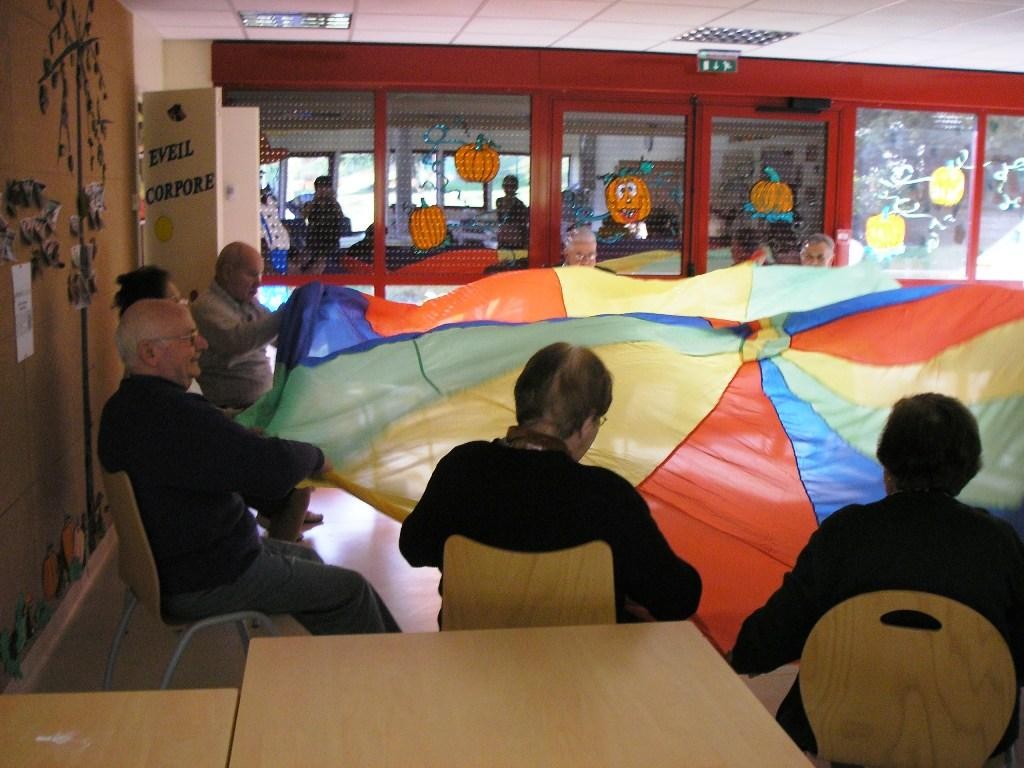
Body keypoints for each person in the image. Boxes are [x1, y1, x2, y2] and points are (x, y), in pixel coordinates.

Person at [730, 393, 1024, 764]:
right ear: (967, 470)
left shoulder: (844, 534)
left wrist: (738, 655)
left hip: (850, 733)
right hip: (969, 738)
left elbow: (767, 641)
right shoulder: (999, 543)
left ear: (887, 464)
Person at [98, 299, 399, 635]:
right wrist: (316, 456)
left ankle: (338, 659)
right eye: (189, 338)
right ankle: (393, 667)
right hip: (209, 575)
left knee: (312, 564)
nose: (202, 344)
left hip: (180, 565)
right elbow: (269, 471)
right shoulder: (174, 415)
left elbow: (213, 454)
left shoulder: (123, 408)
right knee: (351, 592)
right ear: (150, 353)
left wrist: (239, 441)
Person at [399, 342, 702, 624]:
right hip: (585, 659)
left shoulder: (462, 467)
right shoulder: (608, 496)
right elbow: (678, 598)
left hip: (472, 654)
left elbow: (414, 548)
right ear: (587, 423)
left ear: (522, 402)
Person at [114, 264, 318, 540]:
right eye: (176, 303)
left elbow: (204, 429)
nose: (202, 344)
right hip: (216, 550)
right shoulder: (165, 408)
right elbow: (264, 463)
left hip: (213, 499)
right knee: (293, 488)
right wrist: (314, 457)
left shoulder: (139, 398)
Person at [191, 242, 280, 411]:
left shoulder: (250, 303)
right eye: (252, 275)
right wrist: (284, 315)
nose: (258, 283)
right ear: (227, 272)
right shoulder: (206, 306)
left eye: (260, 275)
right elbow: (238, 341)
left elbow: (279, 338)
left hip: (259, 405)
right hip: (230, 410)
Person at [302, 175, 345, 270]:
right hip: (314, 241)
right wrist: (315, 200)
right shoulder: (310, 204)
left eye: (326, 187)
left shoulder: (334, 204)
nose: (323, 190)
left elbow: (341, 219)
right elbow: (303, 216)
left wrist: (332, 200)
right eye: (320, 187)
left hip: (331, 241)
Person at [259, 187, 291, 275]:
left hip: (281, 245)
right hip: (269, 246)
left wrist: (284, 235)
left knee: (280, 274)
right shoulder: (253, 204)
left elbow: (276, 221)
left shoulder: (270, 201)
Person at [495, 174, 529, 250]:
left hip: (515, 241)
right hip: (502, 240)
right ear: (503, 187)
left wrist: (525, 244)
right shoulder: (499, 201)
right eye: (506, 186)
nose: (509, 189)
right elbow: (499, 220)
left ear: (516, 188)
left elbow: (523, 227)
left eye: (512, 186)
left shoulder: (520, 205)